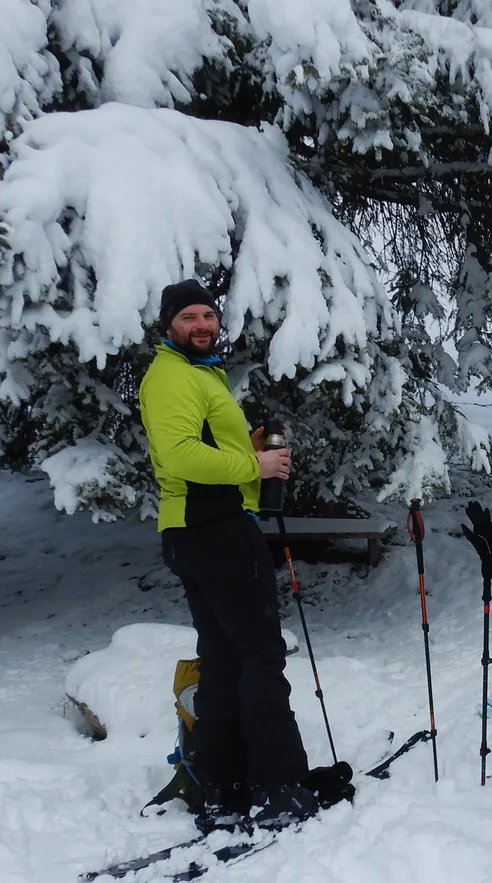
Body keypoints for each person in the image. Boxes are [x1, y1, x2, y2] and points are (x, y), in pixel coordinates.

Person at [138, 279, 350, 829]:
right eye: (189, 317)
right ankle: (280, 785)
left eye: (208, 314)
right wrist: (252, 468)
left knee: (226, 659)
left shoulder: (195, 374)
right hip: (216, 530)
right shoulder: (172, 377)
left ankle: (226, 783)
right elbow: (180, 454)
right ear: (168, 325)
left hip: (202, 530)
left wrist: (248, 450)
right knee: (259, 655)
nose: (202, 325)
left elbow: (204, 449)